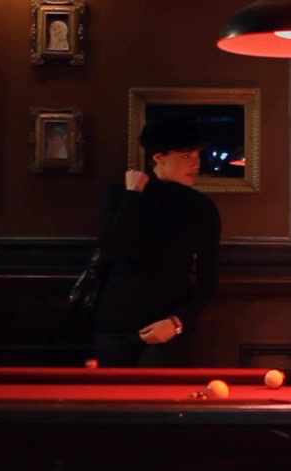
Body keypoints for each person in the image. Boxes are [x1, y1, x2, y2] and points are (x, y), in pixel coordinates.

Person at [93, 117, 222, 367]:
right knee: (112, 390)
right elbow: (110, 247)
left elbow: (209, 281)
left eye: (197, 154)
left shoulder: (200, 206)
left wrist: (177, 322)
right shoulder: (122, 194)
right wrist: (132, 196)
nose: (196, 163)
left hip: (166, 326)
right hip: (115, 323)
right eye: (186, 156)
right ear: (159, 157)